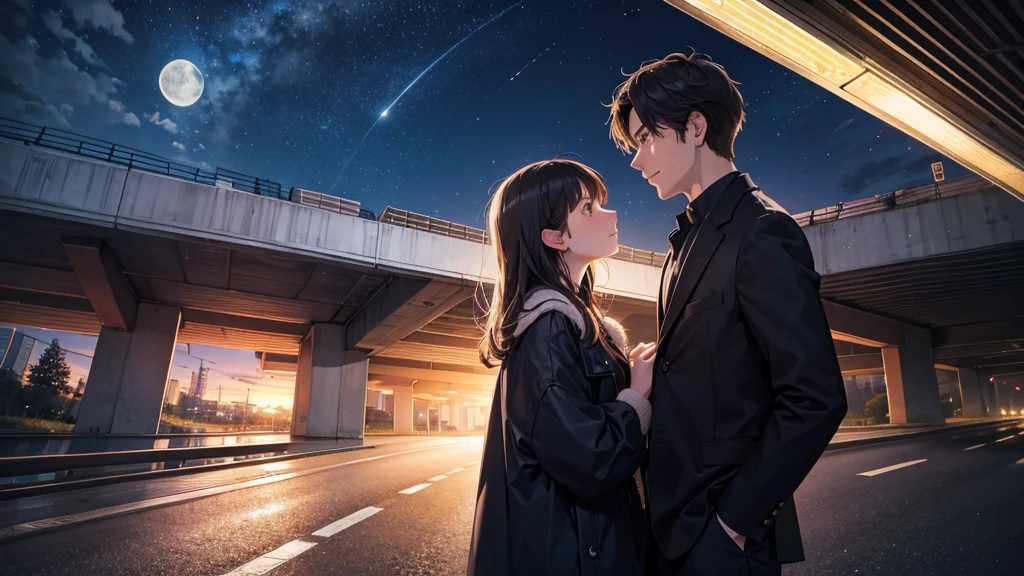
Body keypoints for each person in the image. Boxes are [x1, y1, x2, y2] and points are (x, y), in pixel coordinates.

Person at [606, 51, 849, 575]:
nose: (637, 159)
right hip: (671, 528)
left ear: (695, 127)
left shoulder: (763, 230)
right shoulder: (679, 244)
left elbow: (815, 396)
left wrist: (734, 524)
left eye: (646, 137)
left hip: (724, 537)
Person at [467, 158, 658, 576]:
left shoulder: (571, 324)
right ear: (555, 237)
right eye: (588, 208)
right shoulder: (548, 329)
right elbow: (590, 457)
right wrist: (636, 397)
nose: (611, 214)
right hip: (573, 557)